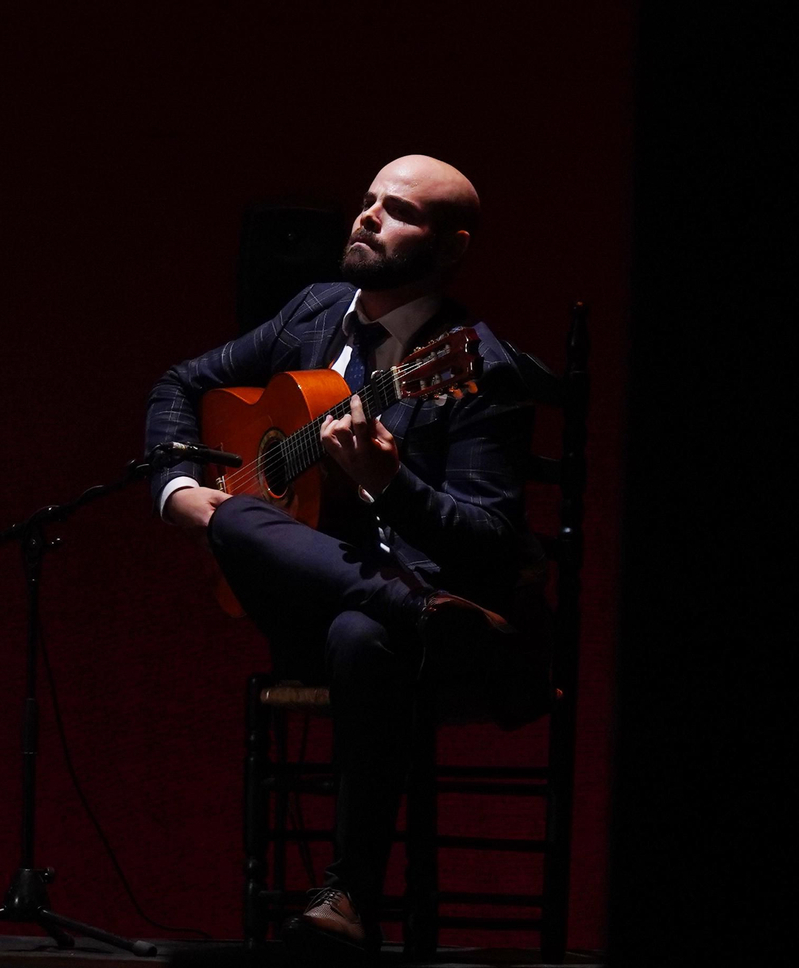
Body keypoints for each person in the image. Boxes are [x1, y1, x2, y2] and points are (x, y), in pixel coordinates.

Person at [145, 155, 552, 956]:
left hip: (405, 626)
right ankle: (418, 615)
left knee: (364, 637)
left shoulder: (474, 366)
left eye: (399, 210)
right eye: (369, 200)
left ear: (450, 247)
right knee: (237, 518)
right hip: (320, 600)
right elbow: (180, 383)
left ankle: (346, 899)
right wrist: (177, 486)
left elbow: (490, 544)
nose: (368, 215)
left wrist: (391, 485)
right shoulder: (316, 310)